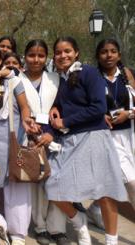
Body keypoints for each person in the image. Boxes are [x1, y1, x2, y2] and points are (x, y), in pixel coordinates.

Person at [46, 36, 128, 245]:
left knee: (104, 192)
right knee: (53, 185)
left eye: (67, 51)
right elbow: (62, 102)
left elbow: (99, 108)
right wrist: (55, 107)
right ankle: (79, 220)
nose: (63, 55)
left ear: (76, 53)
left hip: (94, 137)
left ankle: (111, 240)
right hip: (70, 141)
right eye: (58, 52)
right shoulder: (60, 79)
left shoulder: (89, 72)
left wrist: (65, 119)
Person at [0, 43, 37, 245]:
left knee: (17, 191)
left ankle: (18, 235)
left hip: (13, 144)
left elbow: (24, 107)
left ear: (0, 59)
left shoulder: (14, 82)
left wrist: (27, 120)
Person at [19, 39, 69, 245]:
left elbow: (63, 108)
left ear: (46, 57)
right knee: (37, 183)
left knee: (58, 182)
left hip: (55, 137)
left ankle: (58, 229)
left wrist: (53, 134)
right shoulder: (16, 80)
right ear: (25, 56)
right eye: (31, 55)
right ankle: (40, 227)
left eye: (41, 55)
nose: (36, 59)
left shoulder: (56, 78)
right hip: (29, 138)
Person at [86, 38, 135, 230]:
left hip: (129, 135)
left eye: (113, 51)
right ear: (98, 56)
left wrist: (128, 114)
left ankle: (95, 208)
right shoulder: (93, 78)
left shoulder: (129, 75)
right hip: (106, 138)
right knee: (131, 182)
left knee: (114, 181)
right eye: (104, 52)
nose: (109, 55)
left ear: (119, 55)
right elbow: (86, 106)